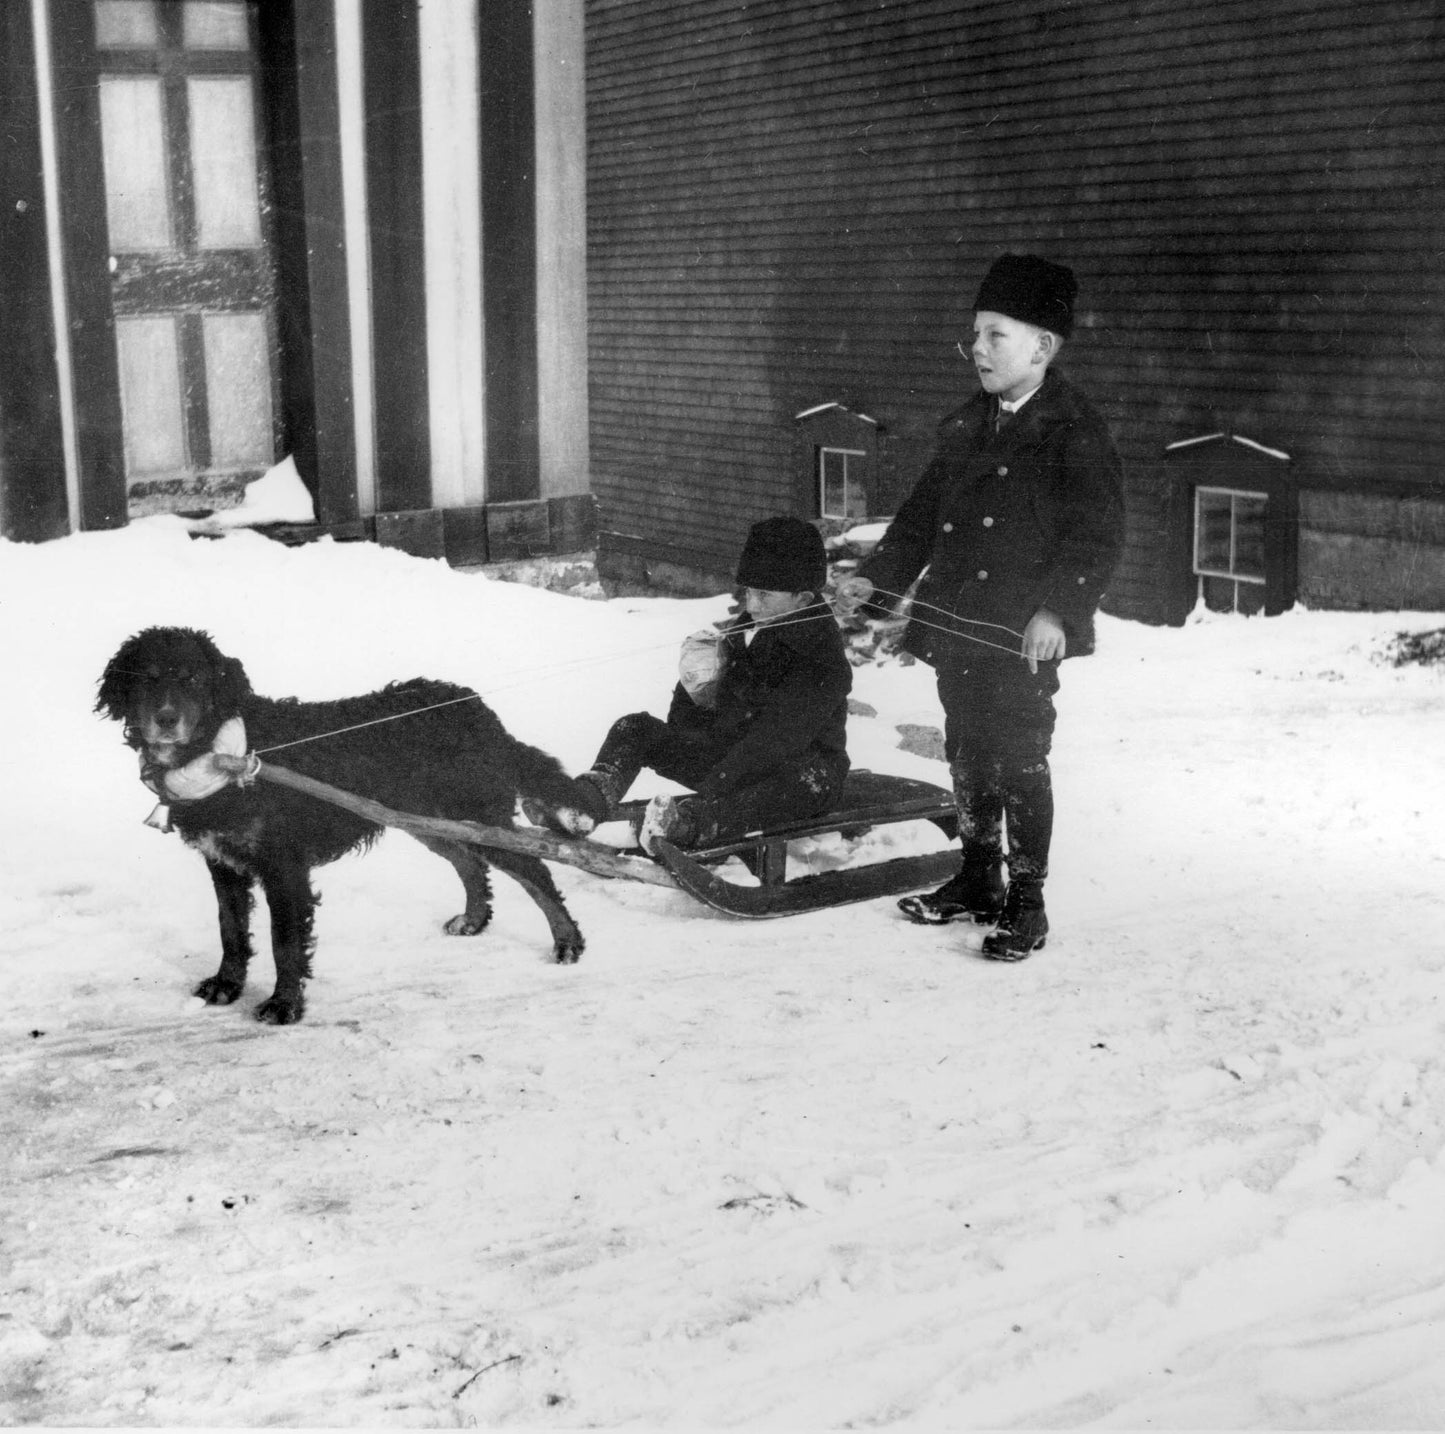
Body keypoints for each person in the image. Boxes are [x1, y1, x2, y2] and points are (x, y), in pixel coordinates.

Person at [835, 253, 1124, 960]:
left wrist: (1058, 612)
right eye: (974, 335)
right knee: (966, 747)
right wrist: (880, 580)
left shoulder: (1073, 430)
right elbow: (919, 515)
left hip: (1023, 633)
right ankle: (975, 880)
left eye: (996, 335)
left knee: (1018, 758)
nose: (978, 350)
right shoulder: (966, 426)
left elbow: (1097, 535)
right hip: (956, 622)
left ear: (1042, 346)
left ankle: (1026, 904)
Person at [559, 516, 852, 853]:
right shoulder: (745, 631)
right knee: (634, 728)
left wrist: (714, 787)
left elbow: (776, 740)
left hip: (801, 774)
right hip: (732, 761)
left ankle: (688, 827)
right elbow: (685, 726)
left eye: (765, 595)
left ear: (803, 598)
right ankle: (586, 802)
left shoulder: (822, 660)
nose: (752, 605)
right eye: (748, 592)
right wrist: (695, 689)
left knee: (790, 783)